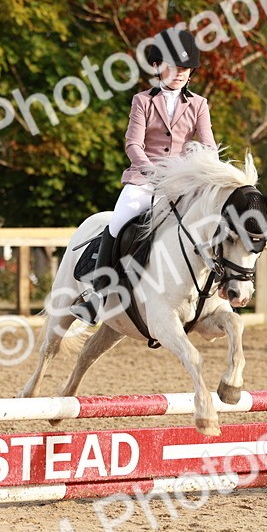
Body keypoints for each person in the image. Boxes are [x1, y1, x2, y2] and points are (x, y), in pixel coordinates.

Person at [69, 27, 218, 325]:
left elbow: (208, 145)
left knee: (210, 221)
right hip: (145, 180)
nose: (179, 74)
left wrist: (205, 168)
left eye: (185, 69)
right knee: (119, 221)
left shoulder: (199, 104)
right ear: (156, 67)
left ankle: (215, 288)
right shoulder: (143, 101)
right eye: (172, 67)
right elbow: (132, 144)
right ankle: (96, 294)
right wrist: (152, 171)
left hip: (181, 184)